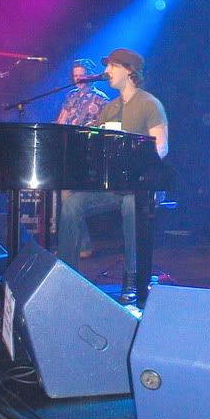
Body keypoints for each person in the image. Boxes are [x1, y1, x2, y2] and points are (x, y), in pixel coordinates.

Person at [57, 47, 168, 304]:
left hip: (143, 187)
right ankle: (65, 276)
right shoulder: (109, 109)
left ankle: (133, 277)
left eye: (111, 66)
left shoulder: (150, 104)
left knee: (132, 204)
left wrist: (135, 162)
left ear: (128, 71)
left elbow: (161, 148)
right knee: (72, 203)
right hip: (114, 186)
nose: (106, 71)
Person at [56, 59, 109, 257]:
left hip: (87, 153)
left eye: (81, 75)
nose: (78, 79)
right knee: (66, 197)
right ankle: (76, 245)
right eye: (75, 75)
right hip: (68, 152)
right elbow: (61, 120)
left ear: (90, 76)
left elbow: (105, 128)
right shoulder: (71, 95)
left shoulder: (100, 99)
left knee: (71, 198)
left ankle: (81, 245)